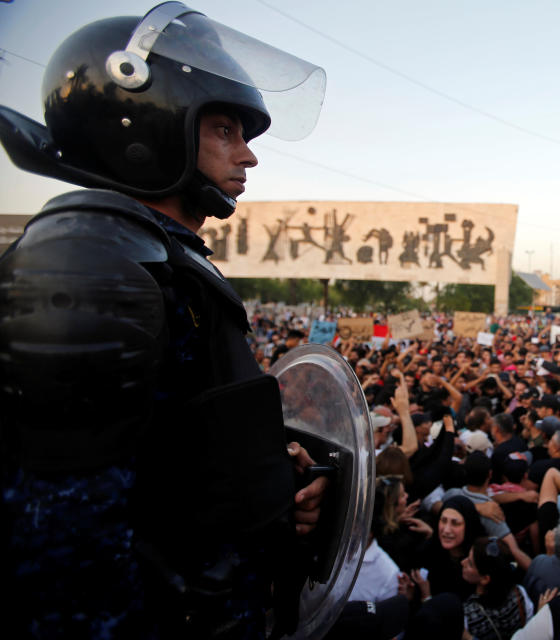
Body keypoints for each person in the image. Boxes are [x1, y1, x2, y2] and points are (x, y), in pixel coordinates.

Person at [0, 5, 329, 637]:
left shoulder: (149, 253)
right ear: (146, 124)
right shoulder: (88, 264)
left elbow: (165, 462)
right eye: (226, 130)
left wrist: (269, 478)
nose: (248, 157)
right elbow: (68, 546)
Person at [461, 537, 534, 640]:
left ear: (485, 579)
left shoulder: (467, 617)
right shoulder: (519, 593)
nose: (463, 562)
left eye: (470, 564)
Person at [419, 496, 485, 601]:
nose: (446, 530)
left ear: (468, 526)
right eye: (443, 521)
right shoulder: (427, 552)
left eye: (455, 523)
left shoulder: (480, 559)